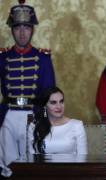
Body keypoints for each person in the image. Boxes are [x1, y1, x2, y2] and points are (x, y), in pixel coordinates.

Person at [0, 0, 55, 176]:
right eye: (17, 28)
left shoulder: (43, 58)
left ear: (32, 30)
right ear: (12, 30)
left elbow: (49, 95)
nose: (22, 33)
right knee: (6, 167)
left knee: (32, 166)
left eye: (27, 27)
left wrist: (46, 121)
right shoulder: (2, 57)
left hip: (33, 116)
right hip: (8, 115)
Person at [28, 87, 87, 154]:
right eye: (53, 103)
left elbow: (83, 159)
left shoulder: (77, 125)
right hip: (43, 164)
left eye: (61, 101)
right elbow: (32, 159)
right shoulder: (34, 126)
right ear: (45, 106)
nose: (59, 106)